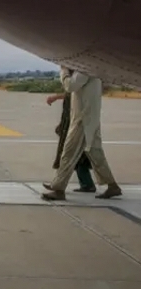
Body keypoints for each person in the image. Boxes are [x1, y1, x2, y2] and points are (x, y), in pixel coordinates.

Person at [41, 67, 122, 201]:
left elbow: (70, 86)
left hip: (82, 121)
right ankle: (112, 186)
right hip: (90, 119)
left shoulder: (85, 70)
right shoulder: (95, 71)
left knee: (68, 154)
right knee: (96, 155)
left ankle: (58, 189)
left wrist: (64, 72)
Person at [46, 92, 95, 192]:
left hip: (74, 127)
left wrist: (55, 97)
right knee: (77, 157)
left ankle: (58, 184)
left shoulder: (76, 92)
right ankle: (87, 184)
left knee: (70, 156)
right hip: (71, 126)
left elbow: (72, 93)